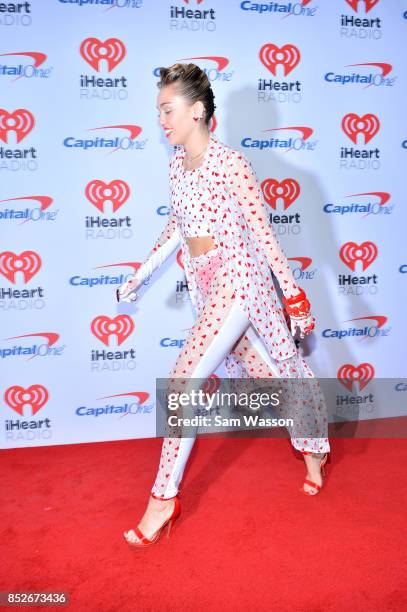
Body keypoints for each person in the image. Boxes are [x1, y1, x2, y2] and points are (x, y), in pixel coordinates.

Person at [118, 63, 331, 547]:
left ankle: (162, 498)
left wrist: (293, 295)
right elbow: (177, 228)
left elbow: (263, 233)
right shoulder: (176, 166)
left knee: (184, 380)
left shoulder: (232, 164)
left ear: (196, 111)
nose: (162, 121)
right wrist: (140, 274)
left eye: (168, 111)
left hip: (241, 280)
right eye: (158, 113)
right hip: (205, 286)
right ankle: (316, 445)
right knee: (275, 371)